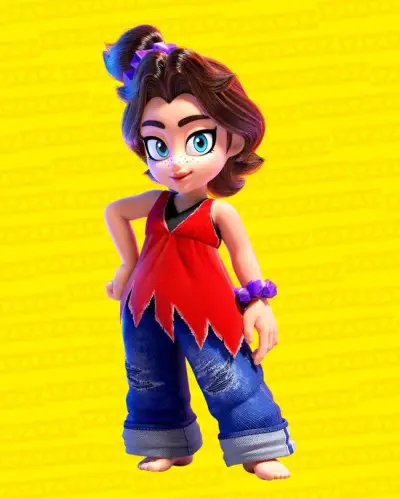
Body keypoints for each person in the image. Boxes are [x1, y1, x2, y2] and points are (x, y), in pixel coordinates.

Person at [103, 24, 296, 480]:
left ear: (232, 140)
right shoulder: (154, 204)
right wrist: (128, 263)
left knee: (227, 375)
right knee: (148, 377)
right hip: (144, 305)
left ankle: (256, 444)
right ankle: (164, 443)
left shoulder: (218, 212)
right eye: (158, 144)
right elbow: (114, 211)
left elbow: (244, 258)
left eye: (198, 141)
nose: (177, 160)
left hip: (206, 308)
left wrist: (259, 302)